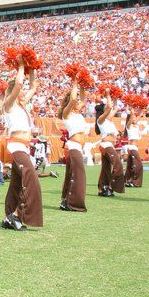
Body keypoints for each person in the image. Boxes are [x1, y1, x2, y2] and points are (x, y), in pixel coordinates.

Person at [2, 62, 43, 231]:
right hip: (16, 146)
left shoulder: (22, 105)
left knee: (17, 184)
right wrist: (20, 65)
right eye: (20, 91)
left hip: (24, 147)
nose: (24, 92)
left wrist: (31, 67)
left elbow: (33, 86)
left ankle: (9, 217)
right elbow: (19, 84)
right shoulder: (9, 104)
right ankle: (17, 214)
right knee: (31, 178)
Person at [58, 81, 88, 211]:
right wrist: (75, 82)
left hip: (78, 147)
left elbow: (82, 97)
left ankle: (65, 200)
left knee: (72, 174)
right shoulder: (67, 113)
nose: (78, 102)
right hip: (73, 145)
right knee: (78, 174)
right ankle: (73, 203)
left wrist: (82, 85)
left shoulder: (79, 114)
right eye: (75, 101)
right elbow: (75, 98)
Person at [95, 92, 125, 197]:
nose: (110, 111)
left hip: (109, 145)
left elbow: (115, 108)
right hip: (106, 145)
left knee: (106, 168)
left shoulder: (108, 120)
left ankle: (103, 188)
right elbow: (109, 107)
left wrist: (115, 96)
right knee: (118, 165)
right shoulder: (100, 120)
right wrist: (108, 94)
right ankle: (111, 186)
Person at [124, 108, 144, 187]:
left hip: (134, 148)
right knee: (138, 165)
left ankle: (127, 180)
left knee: (131, 165)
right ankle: (135, 182)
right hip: (132, 148)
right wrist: (132, 110)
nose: (135, 118)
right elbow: (132, 116)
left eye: (136, 117)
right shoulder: (129, 126)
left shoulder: (136, 126)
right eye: (133, 117)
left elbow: (140, 114)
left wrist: (142, 106)